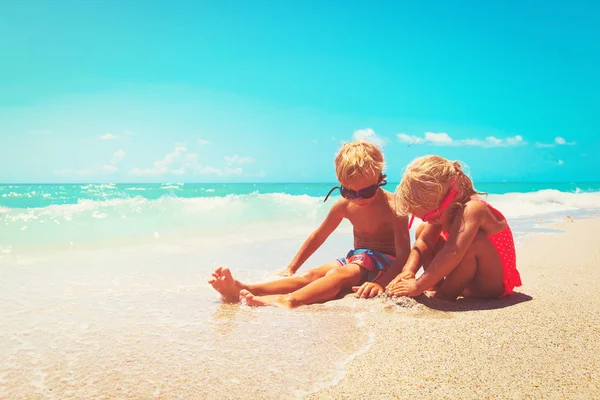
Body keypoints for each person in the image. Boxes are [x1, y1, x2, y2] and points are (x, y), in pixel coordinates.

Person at [208, 139, 411, 308]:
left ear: (381, 179)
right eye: (349, 192)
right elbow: (318, 236)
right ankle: (246, 288)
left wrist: (382, 284)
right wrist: (292, 267)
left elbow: (403, 256)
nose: (357, 199)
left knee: (339, 274)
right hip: (357, 259)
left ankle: (290, 300)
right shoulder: (344, 206)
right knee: (311, 274)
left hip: (385, 263)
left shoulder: (394, 207)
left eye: (365, 192)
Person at [385, 155, 522, 301]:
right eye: (423, 217)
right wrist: (408, 271)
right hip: (466, 280)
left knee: (471, 244)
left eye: (430, 215)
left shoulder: (473, 209)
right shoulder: (444, 209)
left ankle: (444, 296)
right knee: (423, 230)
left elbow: (453, 252)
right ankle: (435, 286)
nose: (428, 220)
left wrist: (418, 285)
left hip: (491, 285)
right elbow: (424, 242)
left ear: (454, 195)